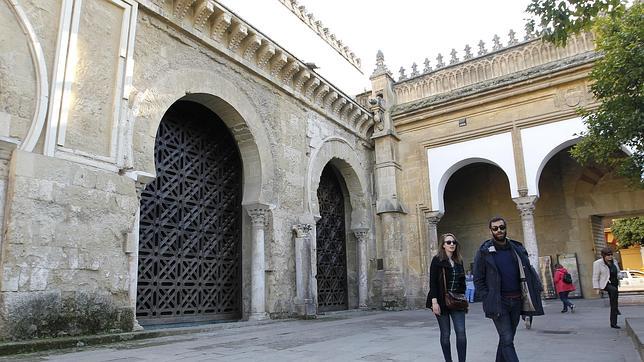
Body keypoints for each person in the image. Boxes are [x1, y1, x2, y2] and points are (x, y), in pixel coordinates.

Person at [474, 217, 544, 362]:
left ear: (506, 228)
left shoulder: (516, 248)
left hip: (517, 301)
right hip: (499, 302)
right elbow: (478, 279)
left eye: (501, 227)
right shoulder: (484, 252)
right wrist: (487, 297)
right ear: (491, 231)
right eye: (495, 228)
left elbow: (528, 270)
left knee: (507, 338)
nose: (499, 230)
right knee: (507, 338)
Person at [428, 233, 468, 362]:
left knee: (461, 332)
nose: (452, 244)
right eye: (449, 242)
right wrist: (434, 303)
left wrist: (463, 299)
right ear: (443, 245)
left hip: (457, 301)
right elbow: (432, 282)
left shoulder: (459, 261)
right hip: (441, 300)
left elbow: (462, 282)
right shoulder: (437, 260)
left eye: (454, 242)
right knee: (445, 334)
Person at [592, 247, 621, 328]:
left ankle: (613, 322)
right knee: (614, 291)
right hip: (605, 284)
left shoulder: (614, 261)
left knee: (614, 302)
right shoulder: (597, 263)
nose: (610, 256)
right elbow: (595, 276)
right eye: (608, 255)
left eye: (611, 254)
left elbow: (618, 271)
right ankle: (615, 309)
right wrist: (596, 288)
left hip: (615, 282)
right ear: (603, 255)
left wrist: (620, 275)